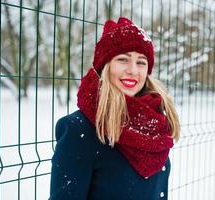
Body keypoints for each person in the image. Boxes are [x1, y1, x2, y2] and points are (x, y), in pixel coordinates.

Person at [49, 17, 180, 200]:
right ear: (105, 66)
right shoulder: (79, 130)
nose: (133, 70)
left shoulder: (156, 124)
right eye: (123, 60)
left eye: (141, 62)